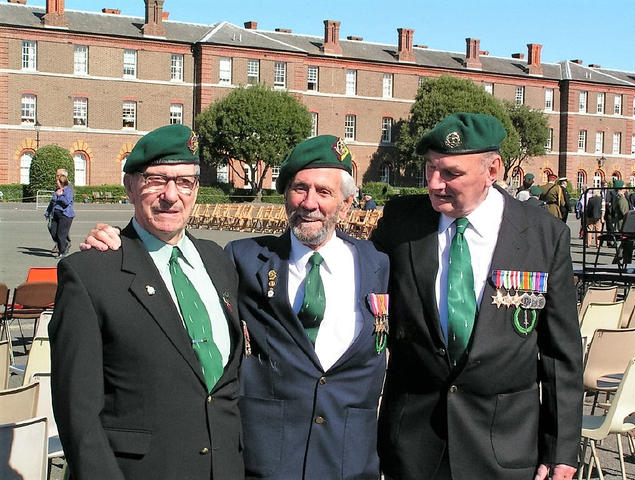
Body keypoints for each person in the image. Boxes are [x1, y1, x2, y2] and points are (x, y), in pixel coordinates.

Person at [82, 135, 390, 480]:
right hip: (266, 460)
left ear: (347, 204)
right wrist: (118, 243)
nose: (309, 202)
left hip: (349, 460)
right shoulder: (239, 259)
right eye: (299, 188)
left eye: (324, 192)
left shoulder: (378, 264)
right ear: (285, 196)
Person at [371, 113, 582, 480]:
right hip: (414, 446)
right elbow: (360, 288)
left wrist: (561, 448)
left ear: (493, 169)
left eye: (451, 173)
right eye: (430, 169)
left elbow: (559, 353)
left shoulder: (543, 235)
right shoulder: (402, 222)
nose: (435, 184)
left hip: (504, 446)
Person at [49, 124, 244, 479]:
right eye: (156, 179)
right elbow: (77, 414)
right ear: (130, 185)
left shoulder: (218, 261)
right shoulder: (90, 274)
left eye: (185, 182)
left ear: (196, 189)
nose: (172, 195)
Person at [45, 169, 74, 257]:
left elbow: (67, 202)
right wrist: (47, 212)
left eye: (58, 179)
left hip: (65, 214)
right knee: (53, 231)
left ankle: (62, 250)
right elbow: (52, 202)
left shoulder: (68, 189)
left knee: (61, 234)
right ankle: (62, 244)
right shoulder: (56, 190)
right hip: (55, 214)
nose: (56, 182)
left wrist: (60, 195)